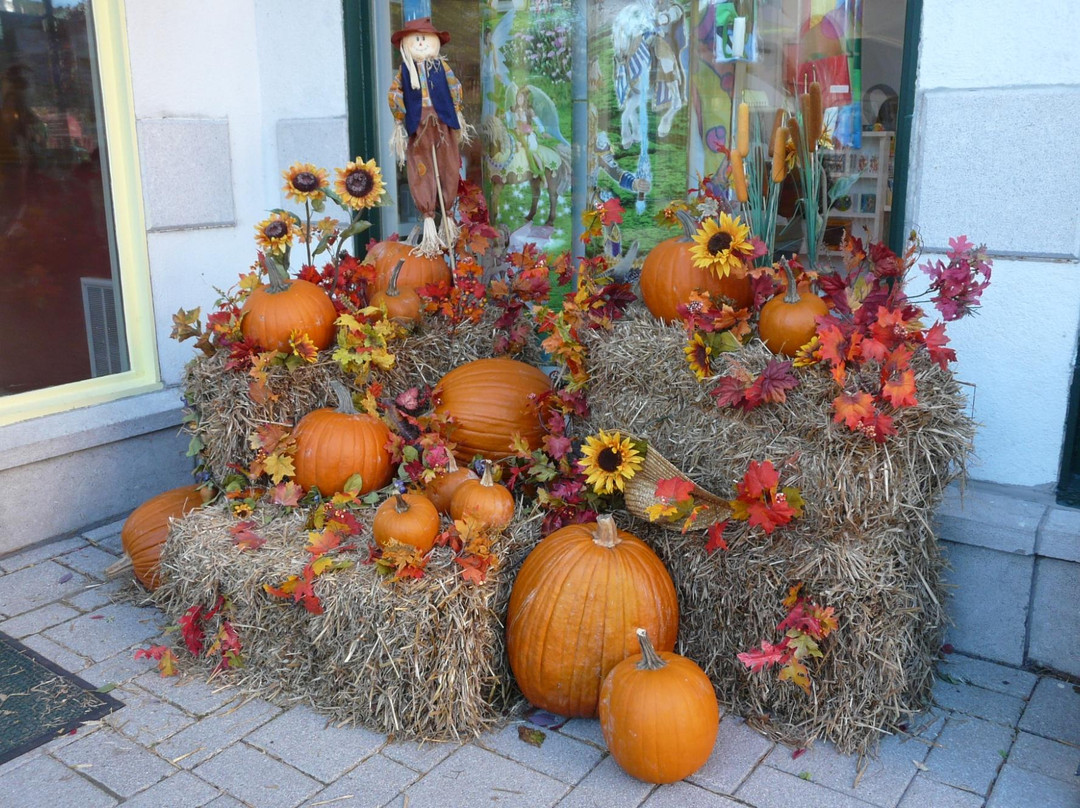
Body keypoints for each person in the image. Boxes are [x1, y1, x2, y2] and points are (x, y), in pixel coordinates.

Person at [387, 17, 470, 256]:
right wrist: (400, 114)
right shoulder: (405, 70)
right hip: (419, 124)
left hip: (442, 122)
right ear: (406, 44)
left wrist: (457, 111)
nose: (421, 43)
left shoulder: (441, 67)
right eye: (416, 39)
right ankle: (428, 216)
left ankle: (447, 217)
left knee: (447, 165)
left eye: (425, 38)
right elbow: (395, 94)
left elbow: (455, 87)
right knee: (421, 167)